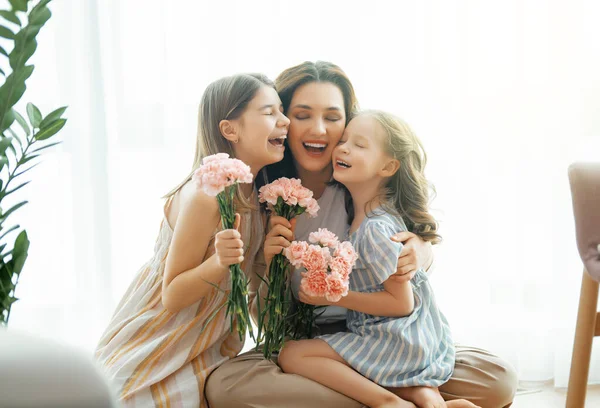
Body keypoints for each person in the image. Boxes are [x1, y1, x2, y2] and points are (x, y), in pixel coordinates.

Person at [205, 61, 517, 408]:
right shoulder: (264, 196)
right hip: (314, 345)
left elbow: (406, 275)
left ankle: (368, 397)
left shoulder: (365, 190)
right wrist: (265, 265)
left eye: (333, 117)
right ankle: (400, 397)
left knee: (496, 378)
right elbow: (262, 316)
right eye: (303, 115)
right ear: (283, 121)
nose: (319, 130)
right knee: (226, 388)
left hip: (383, 339)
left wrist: (422, 249)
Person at [95, 73, 290, 407]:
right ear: (231, 130)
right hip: (159, 344)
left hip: (206, 346)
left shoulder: (257, 197)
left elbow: (253, 302)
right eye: (270, 112)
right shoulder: (206, 196)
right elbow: (171, 294)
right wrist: (218, 262)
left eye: (282, 111)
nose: (285, 121)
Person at [278, 110, 477, 408]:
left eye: (359, 145)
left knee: (292, 354)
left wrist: (333, 298)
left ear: (388, 166)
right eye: (344, 140)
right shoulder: (367, 219)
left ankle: (387, 402)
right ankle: (427, 398)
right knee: (424, 394)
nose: (343, 148)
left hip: (395, 338)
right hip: (406, 338)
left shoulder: (375, 229)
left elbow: (401, 304)